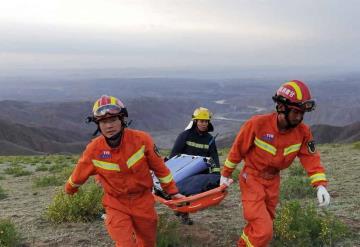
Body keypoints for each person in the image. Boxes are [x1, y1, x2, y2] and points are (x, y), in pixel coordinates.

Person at [220, 80, 331, 247]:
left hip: (273, 182)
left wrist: (320, 185)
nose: (299, 117)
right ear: (281, 107)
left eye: (302, 113)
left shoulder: (303, 132)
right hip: (251, 179)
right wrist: (225, 174)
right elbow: (237, 150)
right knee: (264, 231)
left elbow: (311, 158)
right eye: (295, 112)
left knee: (261, 226)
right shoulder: (257, 124)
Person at [64, 95, 183, 247]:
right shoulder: (93, 150)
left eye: (113, 120)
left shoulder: (142, 140)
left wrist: (173, 192)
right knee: (125, 243)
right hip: (116, 203)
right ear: (98, 124)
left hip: (143, 201)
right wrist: (69, 190)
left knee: (147, 242)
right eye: (104, 122)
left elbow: (160, 168)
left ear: (122, 120)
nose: (109, 126)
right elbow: (78, 175)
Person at [169, 107, 220, 225]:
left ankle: (182, 210)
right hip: (183, 171)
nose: (204, 124)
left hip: (200, 172)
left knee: (192, 191)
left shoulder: (210, 139)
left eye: (206, 121)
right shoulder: (185, 135)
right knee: (183, 193)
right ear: (195, 121)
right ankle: (183, 214)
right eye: (201, 121)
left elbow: (214, 158)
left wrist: (217, 175)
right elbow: (174, 155)